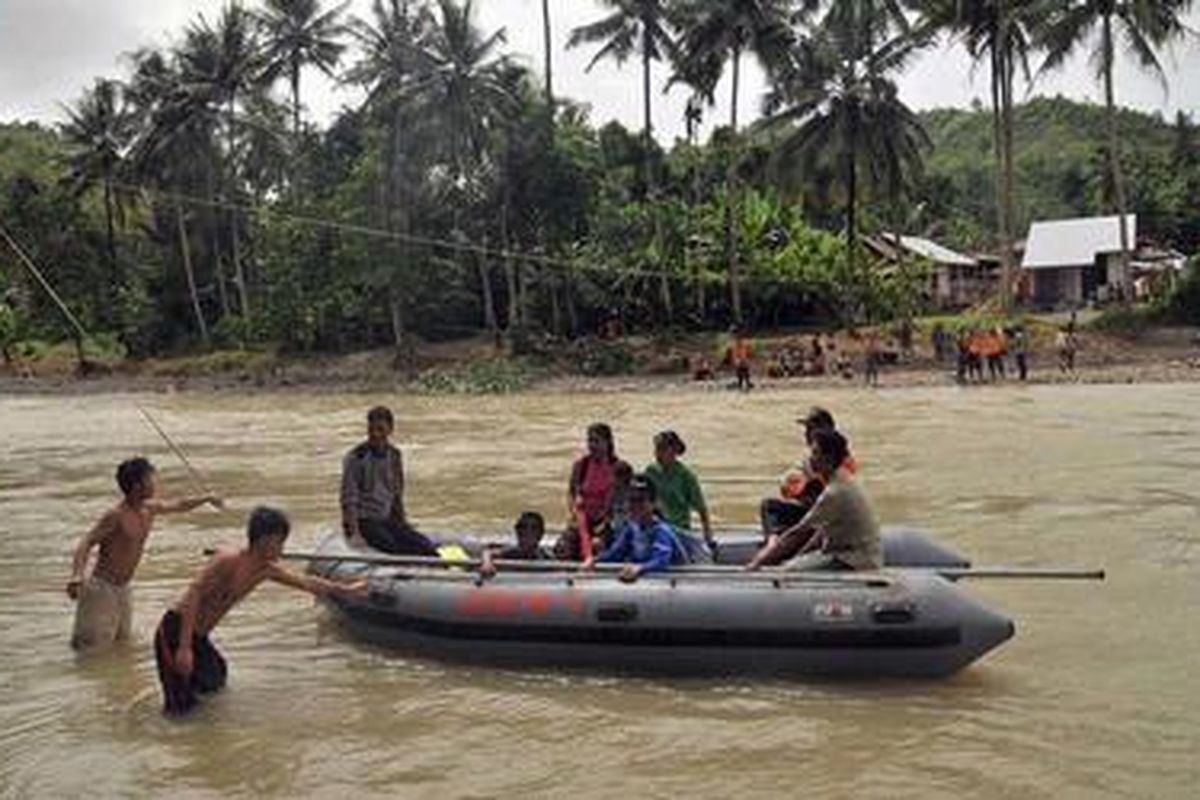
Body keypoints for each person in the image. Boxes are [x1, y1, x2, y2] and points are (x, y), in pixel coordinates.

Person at [153, 507, 366, 717]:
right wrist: (184, 647)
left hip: (199, 637)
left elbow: (306, 583)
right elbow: (194, 594)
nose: (282, 549)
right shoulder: (228, 560)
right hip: (175, 631)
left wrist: (345, 589)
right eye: (280, 542)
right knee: (179, 710)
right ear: (265, 540)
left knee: (215, 678)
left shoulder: (265, 569)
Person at [67, 457, 224, 651]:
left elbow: (178, 504)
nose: (155, 484)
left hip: (123, 589)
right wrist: (76, 575)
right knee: (91, 651)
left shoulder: (149, 508)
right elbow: (87, 542)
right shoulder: (115, 515)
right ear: (136, 486)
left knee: (122, 646)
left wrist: (206, 498)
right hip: (101, 590)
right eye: (150, 479)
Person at [746, 429, 881, 572]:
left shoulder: (834, 492)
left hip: (852, 559)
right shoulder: (843, 478)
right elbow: (820, 532)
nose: (811, 458)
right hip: (855, 554)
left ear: (828, 458)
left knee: (787, 570)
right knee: (794, 563)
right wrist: (799, 556)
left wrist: (757, 563)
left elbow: (797, 533)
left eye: (815, 453)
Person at [341, 406, 438, 557]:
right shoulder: (356, 458)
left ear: (390, 429)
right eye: (371, 430)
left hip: (386, 518)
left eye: (380, 429)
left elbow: (397, 493)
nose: (375, 435)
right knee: (393, 548)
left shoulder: (395, 455)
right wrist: (354, 533)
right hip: (365, 520)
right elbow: (349, 499)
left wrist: (403, 523)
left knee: (425, 546)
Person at [759, 408, 858, 548]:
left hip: (827, 516)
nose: (805, 434)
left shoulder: (839, 459)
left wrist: (805, 487)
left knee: (769, 507)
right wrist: (800, 487)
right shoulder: (813, 458)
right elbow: (789, 488)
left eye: (810, 429)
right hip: (815, 510)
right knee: (771, 506)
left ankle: (775, 546)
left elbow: (830, 492)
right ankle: (774, 541)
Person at [581, 477, 688, 582]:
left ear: (653, 503)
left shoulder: (662, 531)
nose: (635, 505)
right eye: (632, 500)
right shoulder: (632, 528)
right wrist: (594, 560)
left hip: (675, 581)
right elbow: (615, 553)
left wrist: (640, 569)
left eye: (641, 500)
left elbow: (661, 560)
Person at [556, 423, 630, 560]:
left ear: (608, 442)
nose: (592, 445)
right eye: (589, 440)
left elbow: (622, 501)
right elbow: (571, 493)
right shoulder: (581, 466)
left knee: (597, 545)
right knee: (562, 546)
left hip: (607, 521)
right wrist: (574, 513)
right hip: (582, 518)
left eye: (596, 441)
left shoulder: (618, 468)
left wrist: (605, 520)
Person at [642, 430, 714, 549]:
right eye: (656, 449)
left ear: (674, 451)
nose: (657, 454)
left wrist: (708, 536)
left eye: (662, 449)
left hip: (678, 531)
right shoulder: (650, 472)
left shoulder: (686, 476)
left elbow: (702, 510)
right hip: (653, 527)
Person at [479, 512, 551, 578]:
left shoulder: (546, 557)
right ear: (517, 531)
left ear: (541, 534)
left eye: (533, 528)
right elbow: (488, 552)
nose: (527, 531)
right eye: (523, 527)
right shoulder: (511, 552)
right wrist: (486, 563)